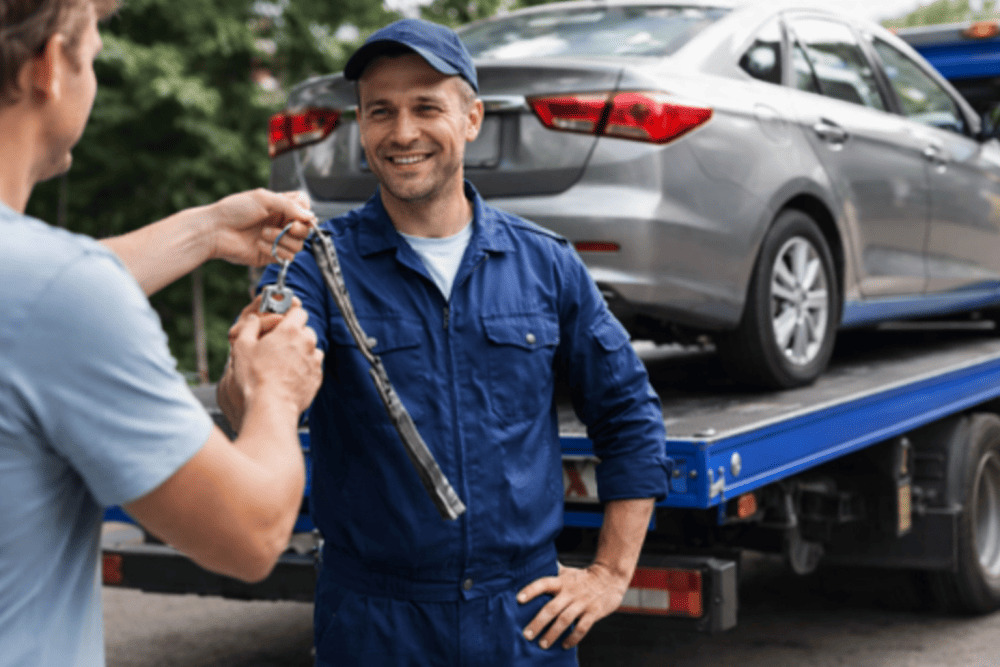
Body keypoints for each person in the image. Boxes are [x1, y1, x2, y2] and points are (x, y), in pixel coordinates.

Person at [220, 18, 670, 666]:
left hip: (523, 623)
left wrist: (608, 575)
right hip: (375, 627)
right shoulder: (316, 265)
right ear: (362, 126)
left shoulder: (545, 264)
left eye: (426, 107)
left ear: (471, 118)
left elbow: (628, 414)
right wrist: (248, 366)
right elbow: (252, 400)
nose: (402, 132)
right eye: (381, 111)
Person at [0, 1, 324, 664]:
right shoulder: (58, 292)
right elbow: (253, 533)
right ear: (50, 67)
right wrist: (276, 392)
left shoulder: (40, 288)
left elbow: (35, 300)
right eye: (93, 57)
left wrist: (206, 230)